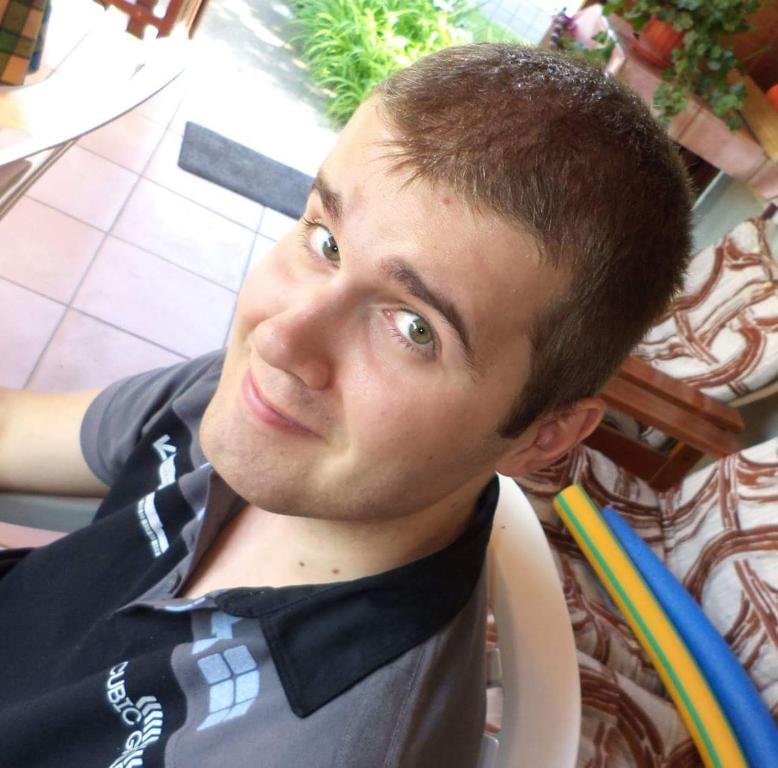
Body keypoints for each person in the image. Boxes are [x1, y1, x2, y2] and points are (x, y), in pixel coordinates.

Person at [0, 44, 691, 767]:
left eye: (415, 328)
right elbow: (16, 430)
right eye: (327, 241)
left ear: (542, 436)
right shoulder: (257, 402)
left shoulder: (317, 744)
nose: (279, 338)